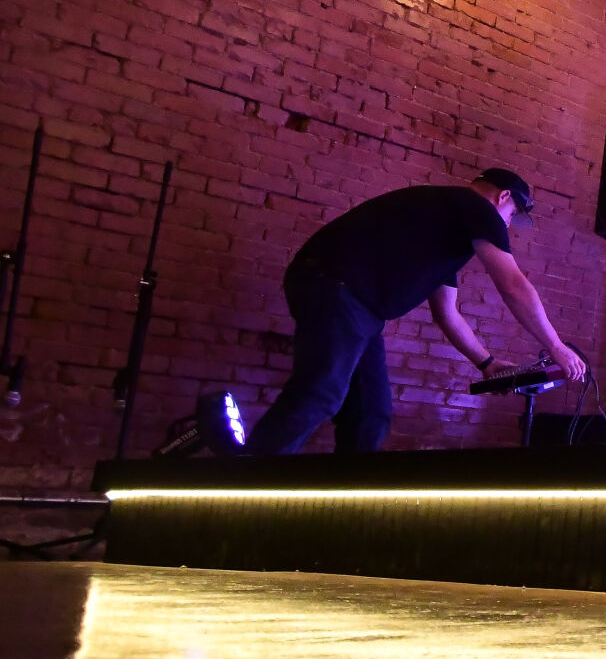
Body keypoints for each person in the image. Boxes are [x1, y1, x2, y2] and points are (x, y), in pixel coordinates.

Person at [245, 168, 587, 456]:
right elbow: (512, 284)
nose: (507, 226)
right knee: (321, 393)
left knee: (370, 414)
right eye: (512, 215)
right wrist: (556, 346)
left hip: (355, 304)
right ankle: (246, 485)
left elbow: (446, 313)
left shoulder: (444, 225)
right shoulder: (476, 208)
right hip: (338, 288)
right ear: (503, 197)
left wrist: (487, 364)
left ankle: (346, 501)